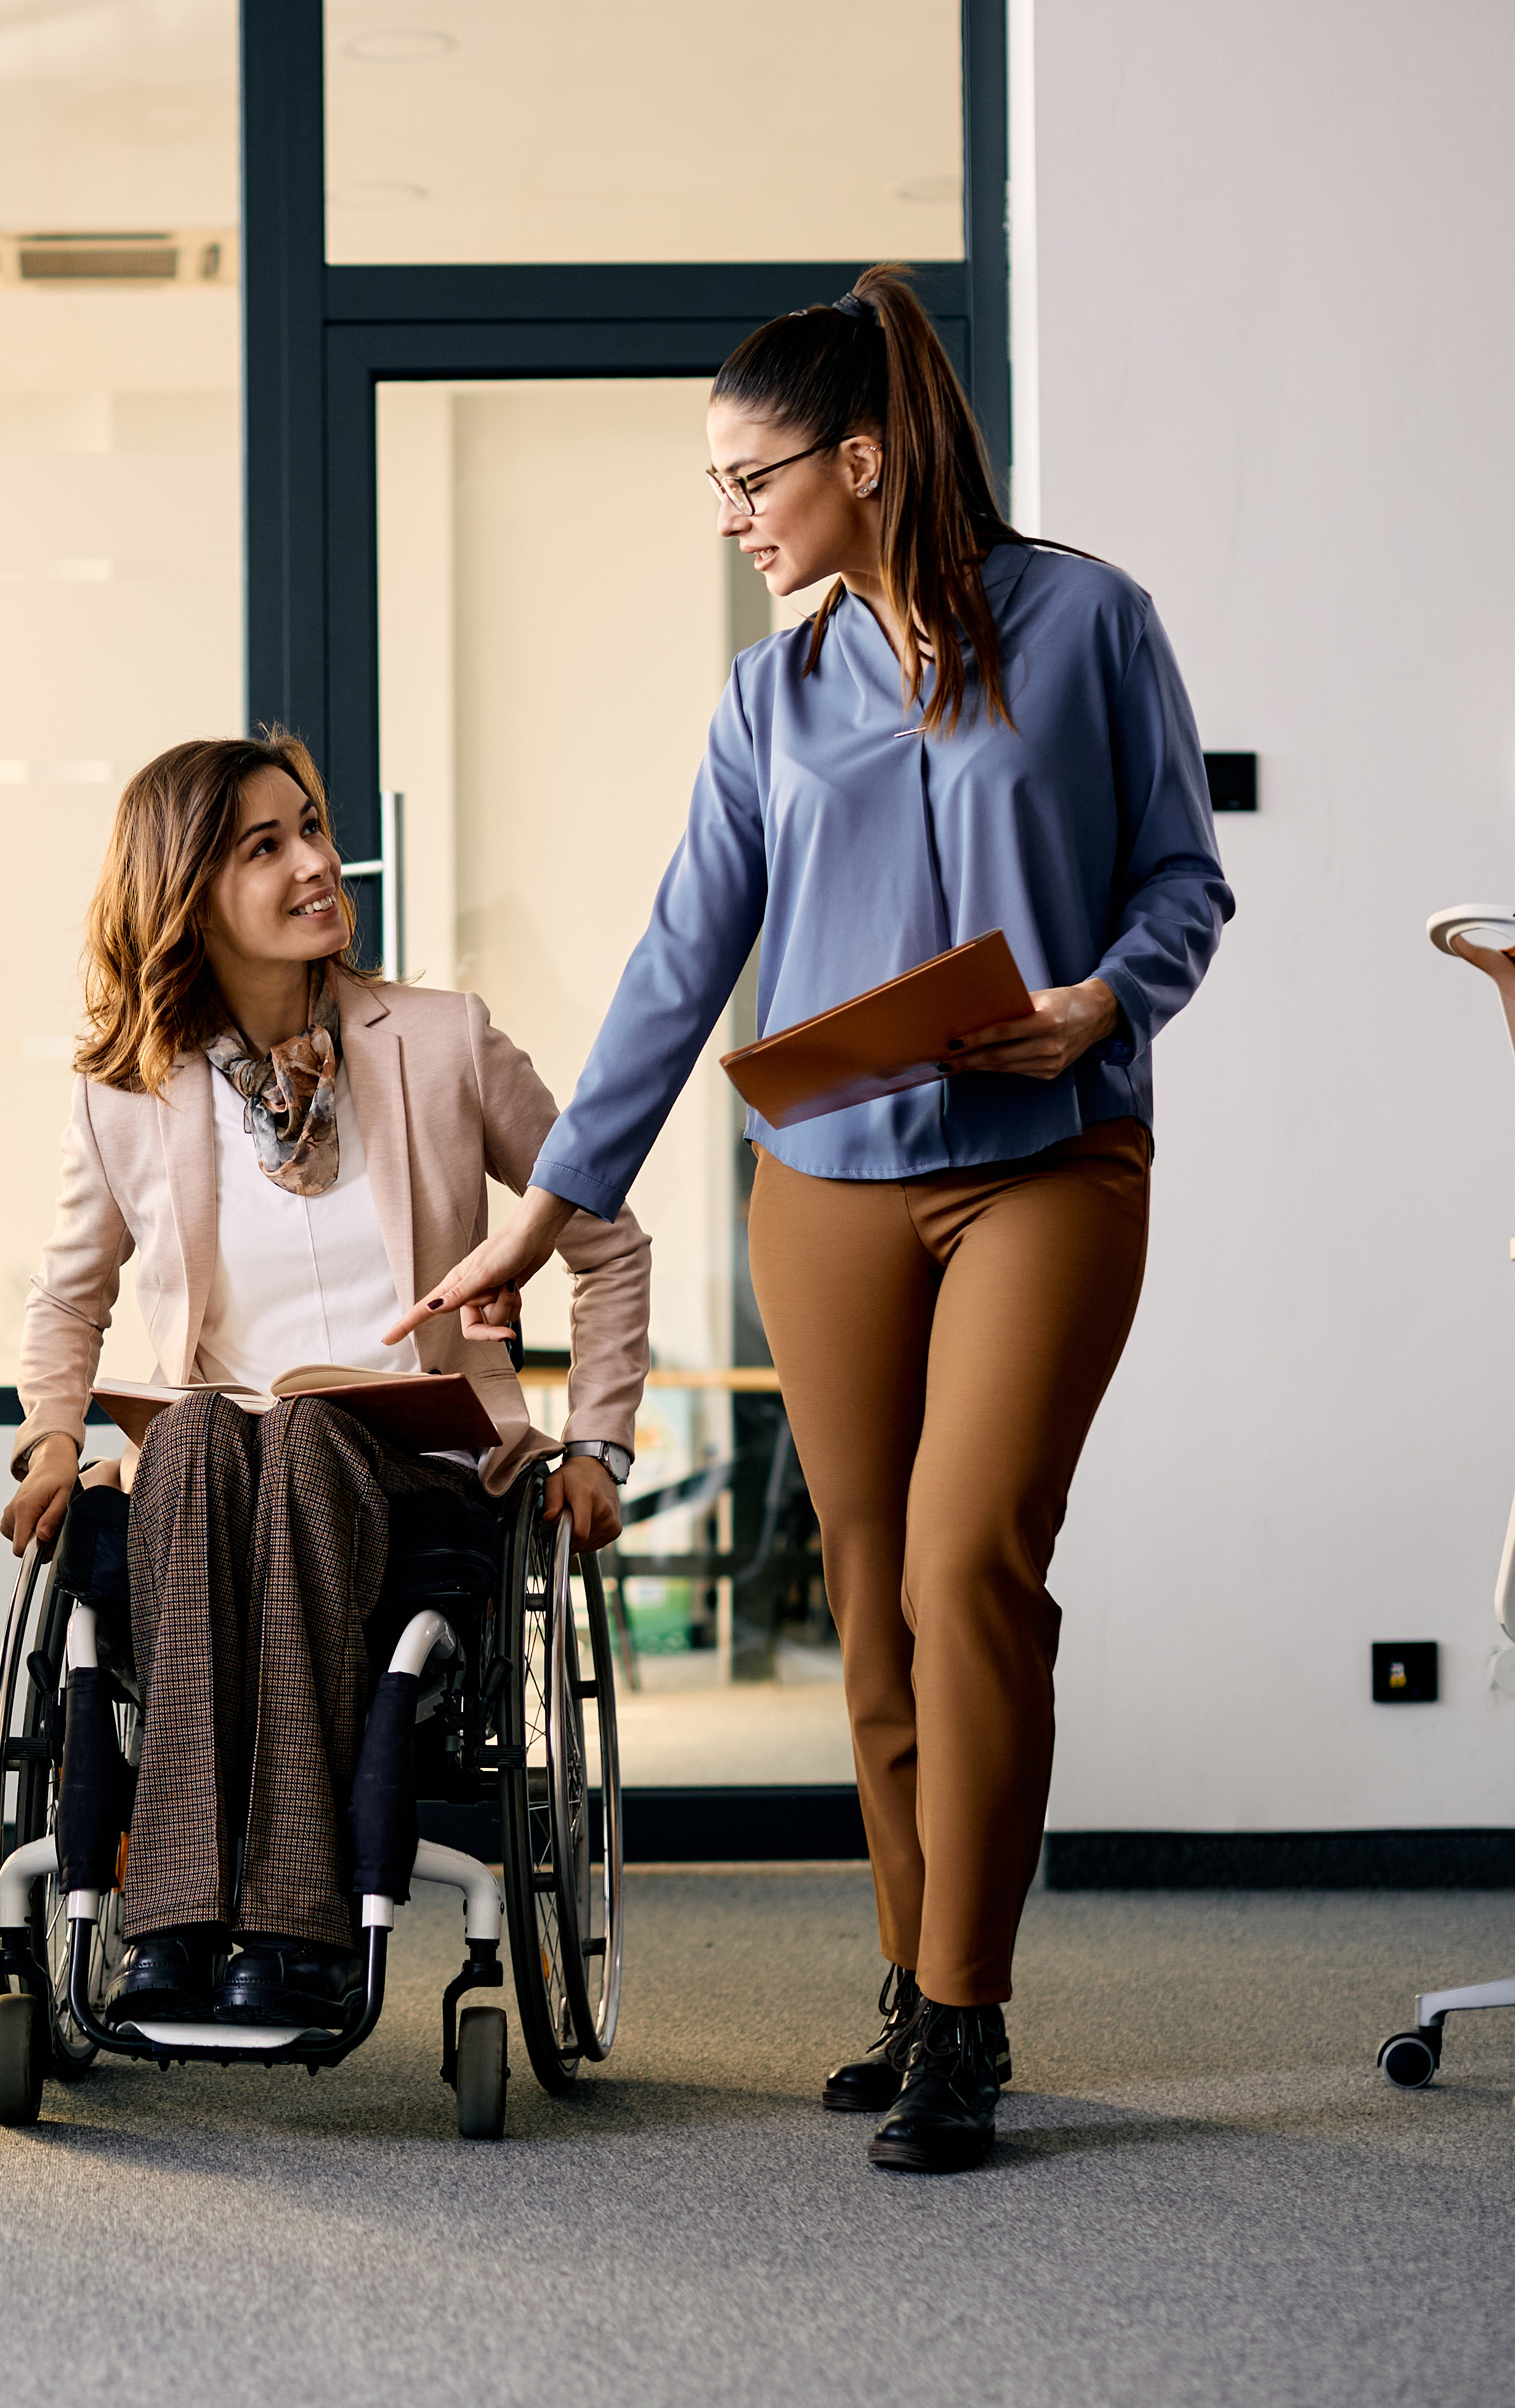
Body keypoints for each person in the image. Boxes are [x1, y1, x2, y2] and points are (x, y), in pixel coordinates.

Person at [397, 267, 1234, 2175]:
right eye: (716, 481)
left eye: (750, 472)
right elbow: (682, 953)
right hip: (831, 1184)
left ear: (862, 458)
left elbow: (1185, 876)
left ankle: (967, 2009)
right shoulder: (770, 696)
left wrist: (1107, 997)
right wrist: (550, 1207)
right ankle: (908, 1968)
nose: (732, 511)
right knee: (867, 1593)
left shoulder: (1092, 622)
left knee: (971, 1568)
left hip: (1051, 1157)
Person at [1, 732, 647, 2030]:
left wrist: (597, 1441)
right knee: (192, 1441)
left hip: (416, 1468)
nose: (315, 861)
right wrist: (50, 1439)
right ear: (187, 894)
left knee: (301, 1436)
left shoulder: (444, 1038)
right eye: (266, 845)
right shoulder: (126, 1095)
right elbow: (69, 1295)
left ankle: (286, 1925)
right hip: (218, 1471)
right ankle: (178, 1924)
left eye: (312, 825)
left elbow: (605, 1236)